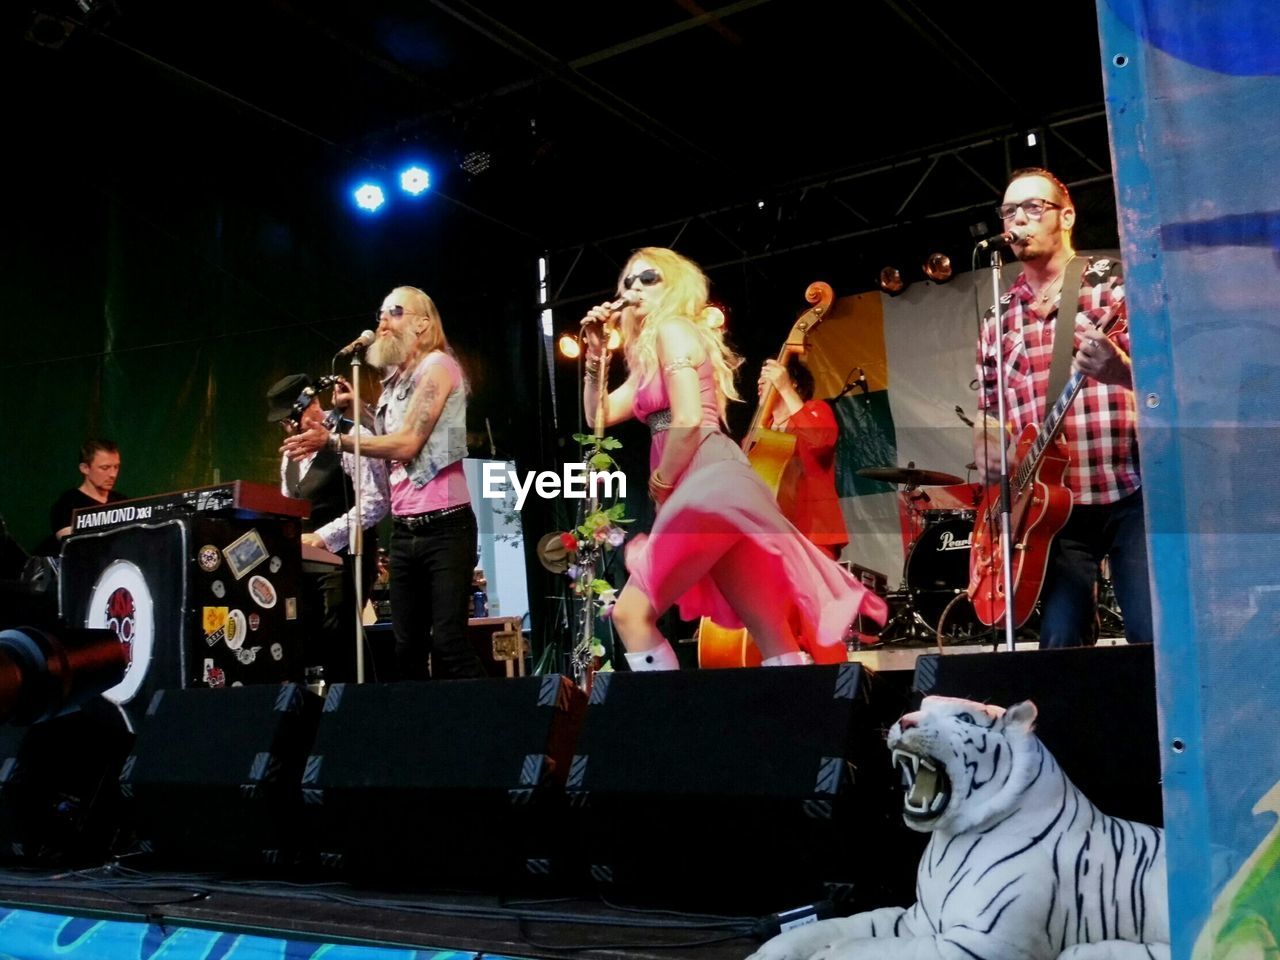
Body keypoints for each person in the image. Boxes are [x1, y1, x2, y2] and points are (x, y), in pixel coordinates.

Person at [580, 247, 887, 670]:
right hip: (709, 479)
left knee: (630, 614)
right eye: (627, 281)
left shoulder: (673, 329)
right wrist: (597, 354)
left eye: (648, 277)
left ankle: (670, 729)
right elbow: (597, 415)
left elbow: (687, 418)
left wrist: (664, 481)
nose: (634, 287)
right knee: (768, 627)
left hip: (702, 476)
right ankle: (803, 719)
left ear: (675, 284)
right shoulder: (650, 353)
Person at [972, 167, 1152, 648]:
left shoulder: (1114, 284)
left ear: (1066, 216)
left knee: (1153, 636)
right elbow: (990, 401)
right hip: (1052, 508)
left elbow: (1175, 378)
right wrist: (988, 439)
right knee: (1060, 643)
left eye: (1033, 208)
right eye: (1010, 211)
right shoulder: (998, 313)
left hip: (1130, 489)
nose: (1019, 220)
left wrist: (1121, 370)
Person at [282, 287, 485, 680]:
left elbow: (408, 443)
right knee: (406, 646)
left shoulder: (438, 367)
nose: (382, 323)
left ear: (422, 322)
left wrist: (334, 439)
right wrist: (360, 409)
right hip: (406, 530)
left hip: (446, 525)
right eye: (380, 315)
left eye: (393, 313)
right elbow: (388, 435)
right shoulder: (397, 378)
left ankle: (495, 731)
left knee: (449, 642)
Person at [266, 374, 388, 682]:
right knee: (305, 640)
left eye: (291, 419)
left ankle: (358, 704)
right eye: (283, 424)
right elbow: (288, 509)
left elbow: (375, 501)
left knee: (340, 635)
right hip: (304, 566)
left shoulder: (350, 437)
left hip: (346, 560)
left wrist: (322, 537)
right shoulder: (290, 458)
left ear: (310, 406)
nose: (289, 428)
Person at [758, 356, 848, 560]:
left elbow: (819, 442)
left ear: (793, 382)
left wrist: (785, 389)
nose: (759, 382)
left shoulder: (816, 410)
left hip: (812, 529)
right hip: (770, 533)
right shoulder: (760, 429)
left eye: (768, 377)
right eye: (760, 378)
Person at [47, 440, 127, 545]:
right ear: (85, 468)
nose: (112, 474)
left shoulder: (122, 502)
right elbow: (72, 546)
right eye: (105, 468)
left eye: (116, 467)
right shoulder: (67, 504)